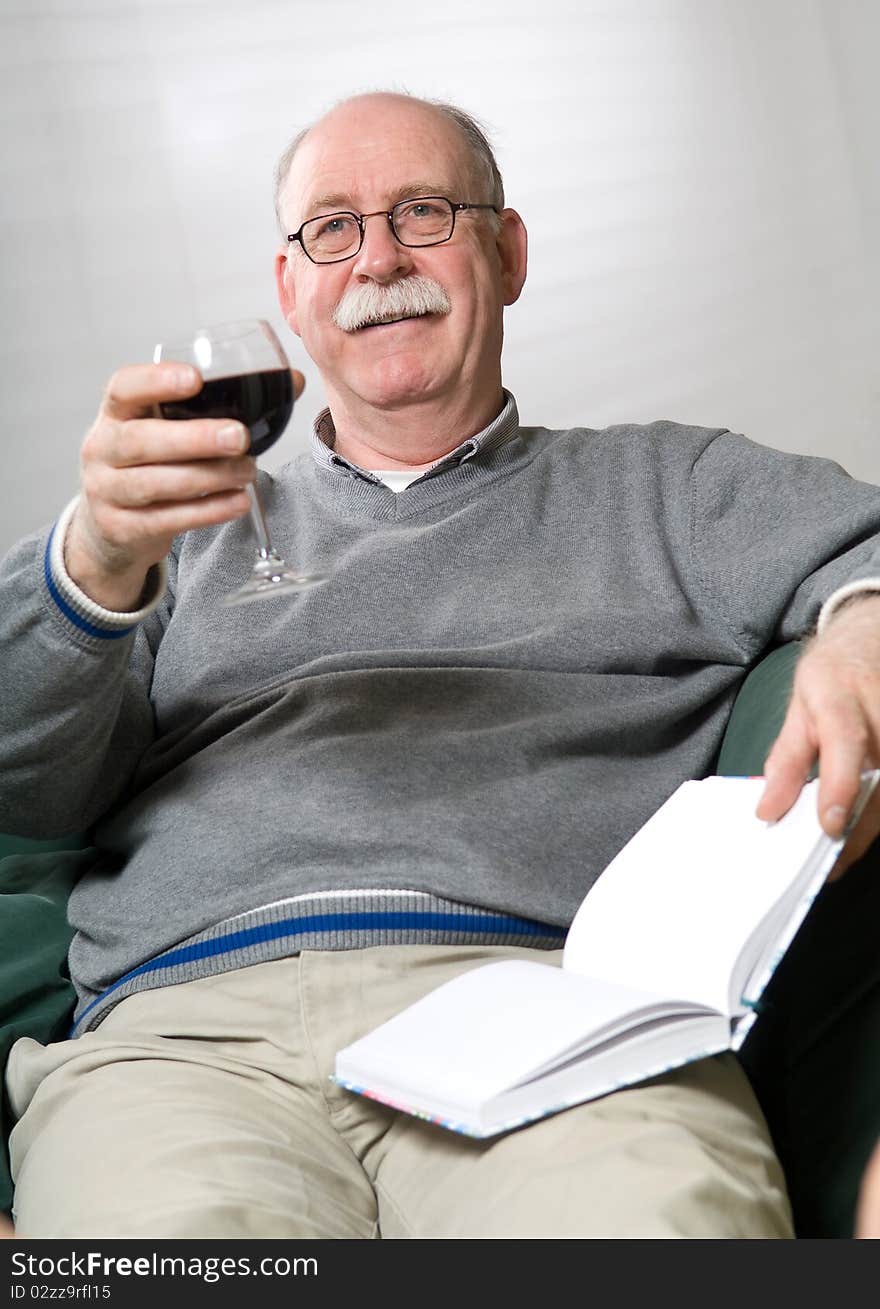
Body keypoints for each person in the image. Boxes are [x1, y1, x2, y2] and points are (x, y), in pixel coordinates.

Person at [1, 90, 879, 1241]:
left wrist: (857, 630)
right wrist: (95, 558)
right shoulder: (167, 525)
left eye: (422, 212)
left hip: (558, 1024)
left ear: (506, 253)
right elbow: (24, 784)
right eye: (332, 228)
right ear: (290, 293)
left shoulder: (670, 488)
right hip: (185, 1038)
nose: (376, 259)